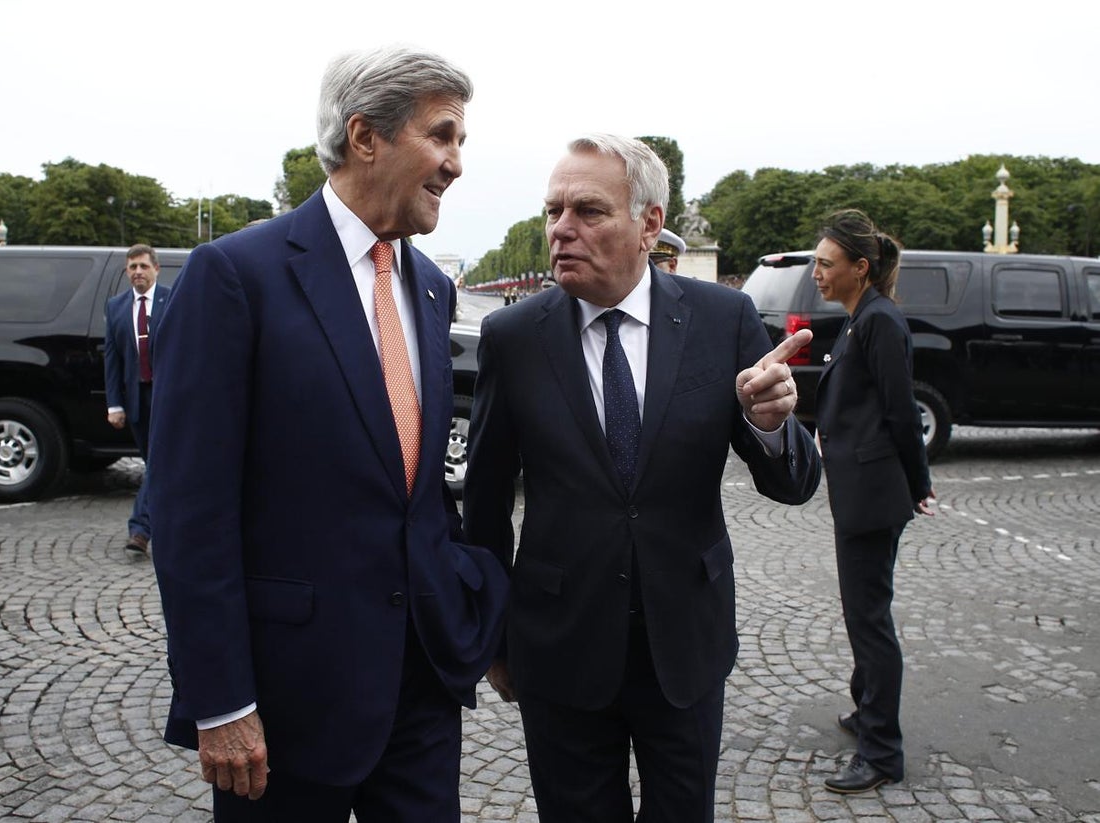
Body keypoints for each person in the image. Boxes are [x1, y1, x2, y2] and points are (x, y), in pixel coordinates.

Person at [147, 45, 508, 822]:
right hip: (283, 706)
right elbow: (188, 509)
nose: (455, 164)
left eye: (461, 143)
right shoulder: (235, 276)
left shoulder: (434, 288)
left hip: (421, 697)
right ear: (364, 136)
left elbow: (415, 491)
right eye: (442, 136)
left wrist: (468, 604)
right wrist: (220, 700)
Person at [462, 133, 822, 823]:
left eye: (588, 211)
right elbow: (483, 502)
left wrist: (772, 424)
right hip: (559, 647)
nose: (561, 229)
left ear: (649, 224)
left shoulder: (723, 320)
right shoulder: (514, 336)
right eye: (553, 210)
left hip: (684, 642)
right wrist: (493, 638)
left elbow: (795, 484)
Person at [812, 209, 935, 794]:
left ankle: (882, 750)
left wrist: (920, 484)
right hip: (858, 491)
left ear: (859, 268)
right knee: (862, 614)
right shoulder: (861, 318)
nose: (816, 272)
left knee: (870, 622)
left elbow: (899, 412)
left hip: (873, 495)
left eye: (825, 264)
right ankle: (867, 712)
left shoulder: (881, 322)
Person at [104, 243, 168, 555]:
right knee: (155, 463)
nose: (138, 272)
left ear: (156, 268)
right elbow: (112, 359)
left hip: (167, 396)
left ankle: (140, 530)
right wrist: (114, 404)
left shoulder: (173, 300)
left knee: (157, 462)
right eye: (132, 267)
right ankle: (167, 521)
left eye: (143, 266)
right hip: (136, 400)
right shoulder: (116, 307)